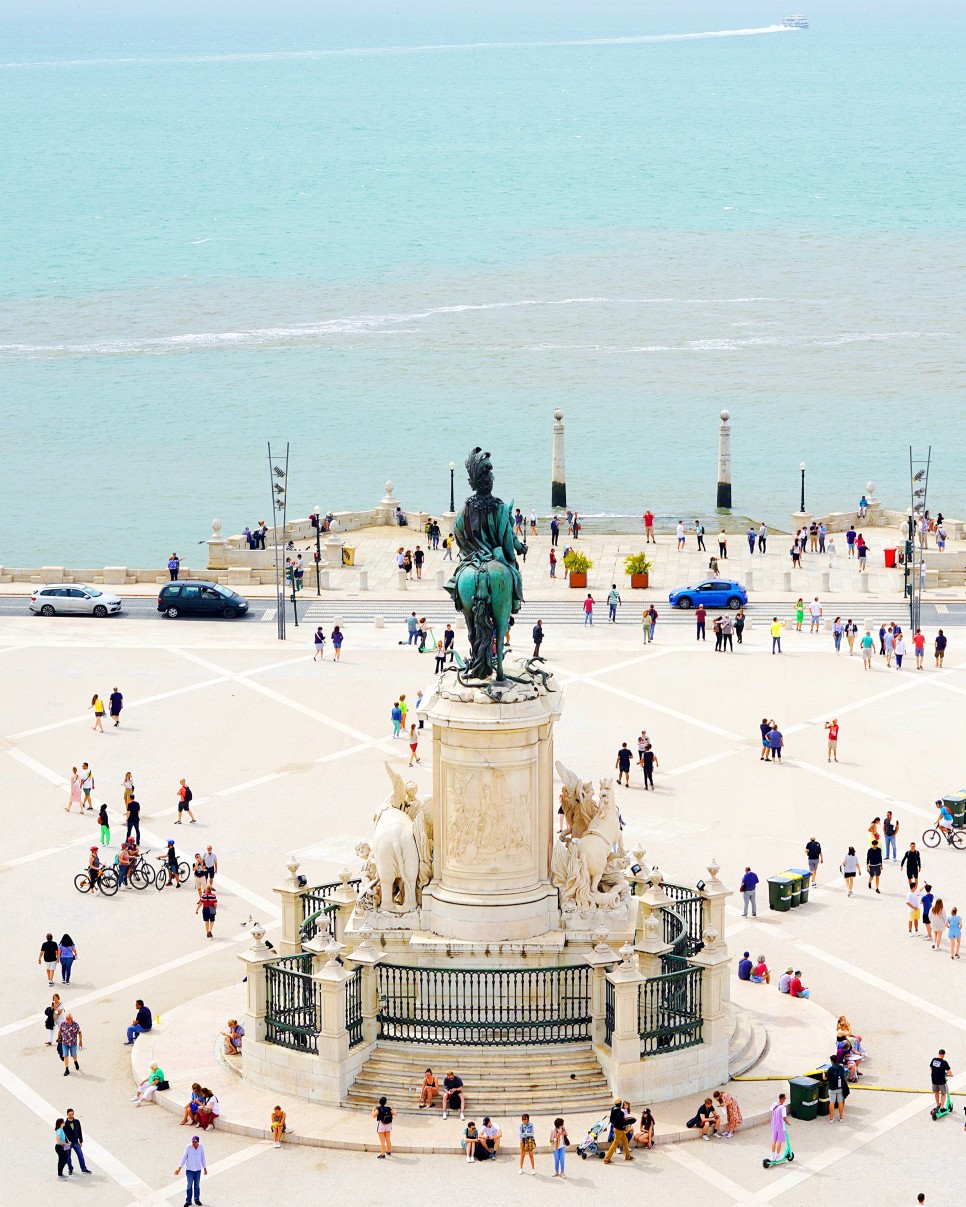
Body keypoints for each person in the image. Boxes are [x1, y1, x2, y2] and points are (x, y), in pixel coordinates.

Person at [175, 1136, 207, 1205]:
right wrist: (179, 1168)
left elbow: (203, 1157)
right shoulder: (188, 1147)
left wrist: (204, 1168)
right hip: (190, 1170)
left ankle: (197, 1199)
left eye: (195, 1142)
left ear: (198, 1142)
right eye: (193, 1141)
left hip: (198, 1169)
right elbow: (184, 1157)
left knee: (197, 1185)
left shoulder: (201, 1147)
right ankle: (188, 1201)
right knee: (189, 1185)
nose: (194, 1143)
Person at [62, 1108, 91, 1174]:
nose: (71, 1115)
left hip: (75, 1142)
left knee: (81, 1155)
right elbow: (63, 1134)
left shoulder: (77, 1122)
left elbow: (79, 1131)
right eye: (69, 1114)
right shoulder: (65, 1124)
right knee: (68, 1157)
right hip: (68, 1143)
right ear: (67, 1114)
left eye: (72, 1114)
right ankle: (70, 1169)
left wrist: (81, 1141)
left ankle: (84, 1168)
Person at [825, 1053, 849, 1122]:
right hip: (840, 1087)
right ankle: (841, 1118)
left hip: (832, 1088)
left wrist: (824, 1073)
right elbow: (844, 1074)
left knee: (831, 1103)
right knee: (840, 1102)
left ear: (832, 1061)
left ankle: (831, 1119)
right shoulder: (841, 1067)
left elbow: (825, 1078)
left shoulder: (830, 1069)